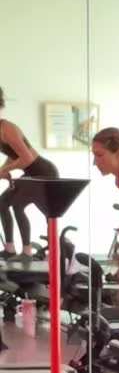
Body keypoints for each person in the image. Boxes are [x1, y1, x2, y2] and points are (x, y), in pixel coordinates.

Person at [0, 86, 59, 258]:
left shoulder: (6, 128)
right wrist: (4, 170)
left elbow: (27, 158)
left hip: (44, 172)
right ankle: (9, 249)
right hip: (30, 173)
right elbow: (14, 154)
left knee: (18, 205)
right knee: (2, 203)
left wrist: (4, 170)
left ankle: (26, 251)